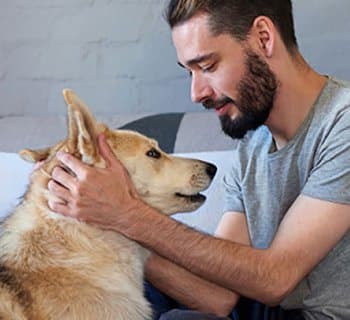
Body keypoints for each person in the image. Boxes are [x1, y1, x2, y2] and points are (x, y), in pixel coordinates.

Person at [47, 0, 350, 319]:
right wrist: (105, 219)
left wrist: (125, 213)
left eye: (207, 66)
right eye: (190, 71)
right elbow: (217, 296)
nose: (196, 93)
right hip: (265, 309)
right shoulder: (254, 145)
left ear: (264, 37)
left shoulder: (341, 124)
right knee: (146, 288)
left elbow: (275, 278)